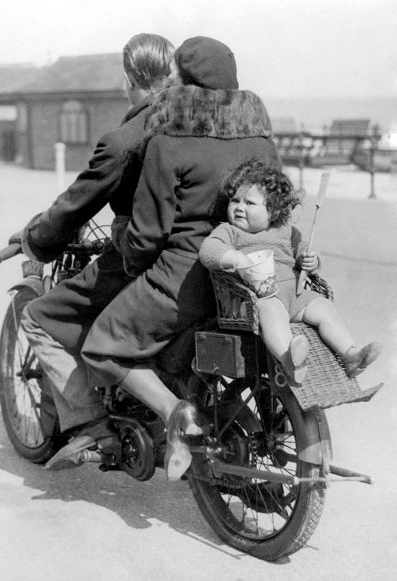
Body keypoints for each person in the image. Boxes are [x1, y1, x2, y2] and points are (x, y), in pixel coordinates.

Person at [64, 36, 283, 481]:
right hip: (251, 275)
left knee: (102, 346)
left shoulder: (168, 140)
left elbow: (147, 236)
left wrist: (127, 262)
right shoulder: (260, 140)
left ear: (181, 83)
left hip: (183, 277)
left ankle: (175, 414)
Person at [10, 33, 174, 464]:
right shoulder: (189, 124)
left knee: (39, 316)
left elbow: (77, 203)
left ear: (129, 77)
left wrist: (36, 240)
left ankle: (89, 424)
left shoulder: (125, 138)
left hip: (136, 256)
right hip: (188, 256)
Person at [199, 158, 382, 384]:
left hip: (294, 295)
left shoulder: (284, 230)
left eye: (250, 203)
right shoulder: (229, 232)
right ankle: (289, 359)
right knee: (271, 312)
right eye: (235, 201)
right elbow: (209, 250)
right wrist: (235, 257)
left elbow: (301, 249)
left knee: (324, 308)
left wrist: (311, 260)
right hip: (260, 298)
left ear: (274, 211)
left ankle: (350, 354)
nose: (239, 207)